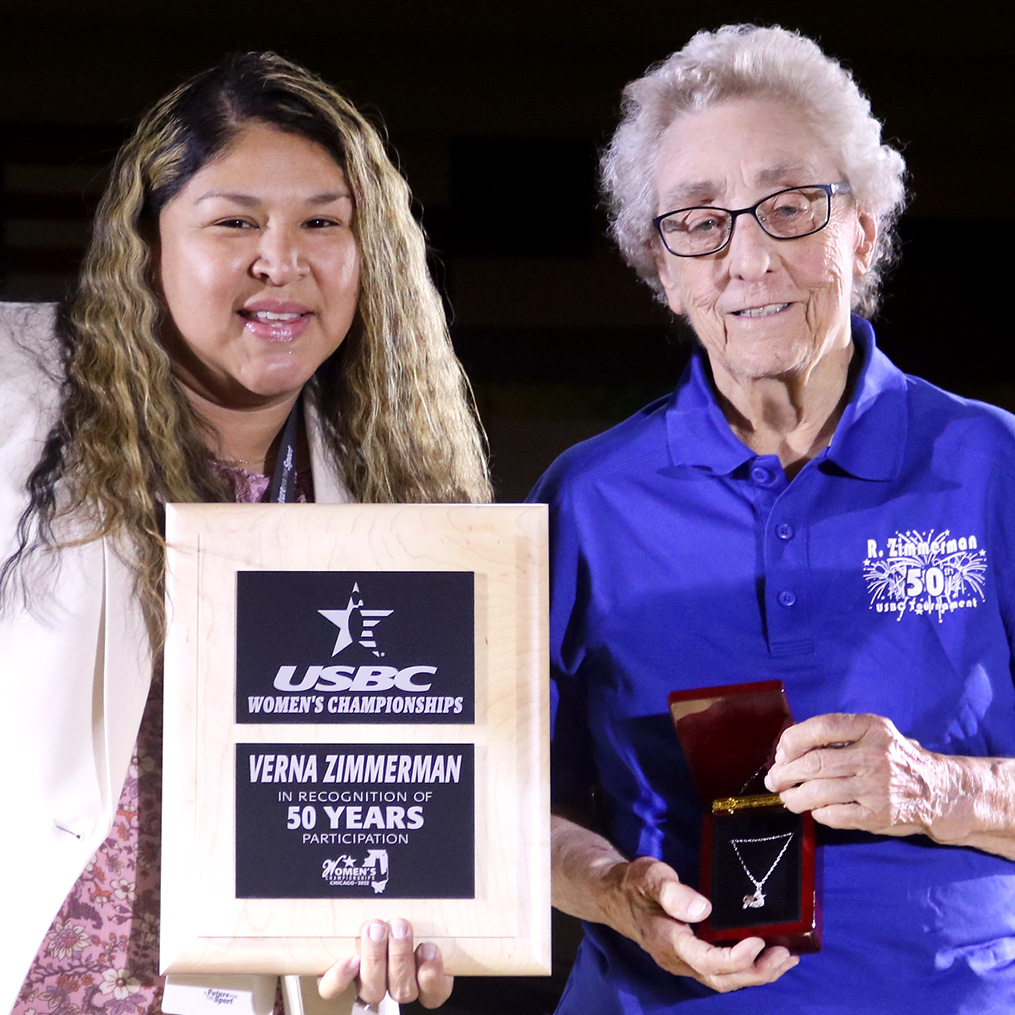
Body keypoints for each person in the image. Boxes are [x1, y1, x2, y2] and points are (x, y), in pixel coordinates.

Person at [531, 23, 1015, 1013]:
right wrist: (620, 897)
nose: (746, 257)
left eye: (789, 207)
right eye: (698, 223)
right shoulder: (585, 497)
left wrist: (942, 791)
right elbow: (497, 805)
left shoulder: (992, 464)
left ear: (863, 229)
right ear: (662, 271)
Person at [0, 52, 489, 1015]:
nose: (283, 259)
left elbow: (404, 825)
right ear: (145, 245)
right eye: (234, 222)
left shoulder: (401, 502)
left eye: (322, 222)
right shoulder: (13, 400)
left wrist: (426, 919)